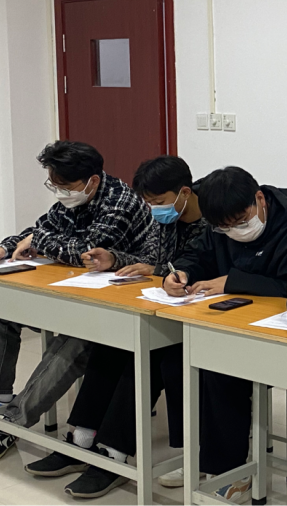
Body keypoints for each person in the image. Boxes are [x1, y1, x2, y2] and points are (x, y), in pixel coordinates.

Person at [22, 155, 209, 498]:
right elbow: (152, 261)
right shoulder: (166, 221)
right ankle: (81, 438)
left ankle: (114, 453)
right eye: (149, 203)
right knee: (110, 345)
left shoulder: (214, 222)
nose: (154, 210)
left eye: (159, 201)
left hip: (199, 323)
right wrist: (118, 260)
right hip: (162, 309)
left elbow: (201, 268)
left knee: (145, 359)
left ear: (185, 193)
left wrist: (166, 274)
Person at [0, 141, 156, 462]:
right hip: (79, 291)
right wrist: (5, 247)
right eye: (54, 185)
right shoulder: (75, 195)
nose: (60, 193)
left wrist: (38, 241)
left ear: (92, 181)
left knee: (74, 341)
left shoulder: (119, 202)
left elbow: (85, 252)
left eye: (65, 186)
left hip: (123, 302)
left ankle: (12, 421)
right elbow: (42, 228)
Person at [155, 166, 287, 503]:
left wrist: (231, 282)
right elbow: (196, 255)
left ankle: (231, 472)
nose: (234, 232)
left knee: (219, 370)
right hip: (231, 325)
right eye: (224, 227)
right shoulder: (218, 226)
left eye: (240, 221)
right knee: (176, 358)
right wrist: (180, 274)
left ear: (259, 199)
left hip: (285, 334)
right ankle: (199, 456)